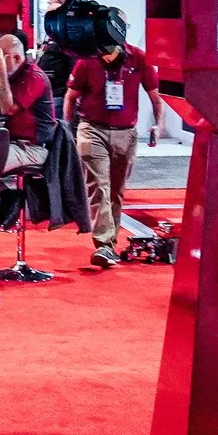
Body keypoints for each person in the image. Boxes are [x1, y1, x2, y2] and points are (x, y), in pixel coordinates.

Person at [66, 34, 161, 267]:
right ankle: (104, 244)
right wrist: (67, 130)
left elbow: (155, 96)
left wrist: (158, 125)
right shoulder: (86, 60)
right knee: (99, 187)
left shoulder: (139, 58)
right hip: (92, 130)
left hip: (126, 133)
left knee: (116, 191)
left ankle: (109, 244)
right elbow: (71, 97)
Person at [0, 32, 55, 231]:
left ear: (16, 57)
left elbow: (8, 109)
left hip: (34, 148)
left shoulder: (34, 77)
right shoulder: (18, 74)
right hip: (14, 144)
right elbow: (3, 103)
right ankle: (5, 196)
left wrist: (1, 74)